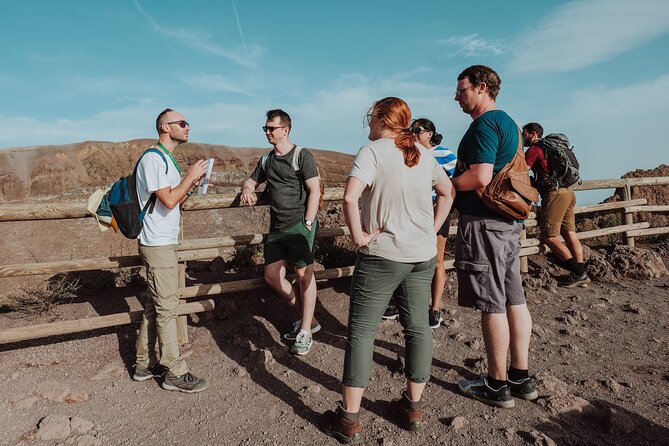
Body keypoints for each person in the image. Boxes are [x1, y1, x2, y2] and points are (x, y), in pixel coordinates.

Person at [323, 97, 454, 443]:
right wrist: (432, 229)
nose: (368, 122)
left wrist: (359, 237)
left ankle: (348, 419)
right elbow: (448, 191)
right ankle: (412, 408)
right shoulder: (424, 154)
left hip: (382, 255)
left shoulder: (374, 151)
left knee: (362, 332)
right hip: (422, 254)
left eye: (370, 116)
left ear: (382, 118)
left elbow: (350, 198)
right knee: (418, 328)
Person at [451, 66, 538, 408]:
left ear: (481, 88)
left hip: (484, 224)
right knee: (514, 298)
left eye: (461, 89)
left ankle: (496, 384)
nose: (456, 95)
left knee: (492, 303)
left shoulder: (484, 124)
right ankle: (521, 375)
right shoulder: (509, 124)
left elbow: (480, 177)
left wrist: (441, 186)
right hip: (508, 223)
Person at [132, 108, 210, 393]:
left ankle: (143, 364)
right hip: (157, 243)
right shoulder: (153, 158)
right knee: (167, 308)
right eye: (182, 123)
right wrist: (190, 177)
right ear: (165, 127)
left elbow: (175, 200)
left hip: (164, 242)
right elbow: (166, 200)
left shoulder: (166, 160)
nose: (187, 126)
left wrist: (191, 186)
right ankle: (174, 372)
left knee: (156, 305)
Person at [240, 109, 321, 356]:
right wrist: (247, 189)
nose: (267, 132)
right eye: (265, 128)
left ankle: (305, 330)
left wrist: (308, 222)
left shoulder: (301, 155)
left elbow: (314, 189)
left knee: (304, 274)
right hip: (277, 227)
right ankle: (311, 320)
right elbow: (251, 181)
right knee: (272, 276)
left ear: (285, 129)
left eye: (271, 128)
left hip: (299, 225)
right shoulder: (267, 160)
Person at [382, 118, 457, 329]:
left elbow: (451, 188)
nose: (414, 134)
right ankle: (400, 303)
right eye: (411, 130)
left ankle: (435, 309)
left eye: (418, 130)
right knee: (404, 257)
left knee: (436, 260)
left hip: (436, 213)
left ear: (430, 133)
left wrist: (438, 207)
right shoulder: (409, 153)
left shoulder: (446, 155)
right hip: (412, 213)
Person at [522, 122, 590, 288]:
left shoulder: (535, 149)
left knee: (550, 237)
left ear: (532, 134)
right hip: (568, 192)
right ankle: (580, 275)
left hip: (554, 194)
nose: (522, 137)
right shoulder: (553, 149)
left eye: (524, 134)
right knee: (569, 233)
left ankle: (578, 273)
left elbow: (522, 170)